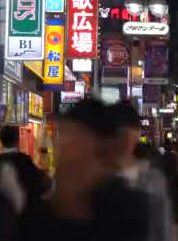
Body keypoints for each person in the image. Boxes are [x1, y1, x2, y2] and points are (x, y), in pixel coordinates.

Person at [18, 98, 151, 241]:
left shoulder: (126, 209)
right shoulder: (39, 212)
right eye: (62, 135)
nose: (64, 147)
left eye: (76, 137)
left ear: (100, 146)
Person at [107, 103, 172, 241]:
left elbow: (162, 230)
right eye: (120, 134)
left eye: (129, 135)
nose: (125, 141)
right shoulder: (96, 177)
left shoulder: (153, 180)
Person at [0, 125, 50, 216]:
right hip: (28, 218)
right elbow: (41, 183)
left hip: (2, 221)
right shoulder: (26, 161)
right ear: (17, 140)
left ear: (0, 140)